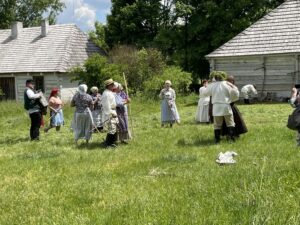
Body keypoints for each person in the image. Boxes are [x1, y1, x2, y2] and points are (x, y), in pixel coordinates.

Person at [202, 71, 239, 143]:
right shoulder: (227, 84)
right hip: (226, 106)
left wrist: (209, 86)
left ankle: (217, 140)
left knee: (217, 125)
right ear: (223, 77)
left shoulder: (212, 85)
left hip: (216, 107)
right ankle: (231, 139)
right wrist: (231, 100)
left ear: (215, 77)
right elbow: (236, 93)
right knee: (230, 123)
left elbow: (204, 93)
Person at [102, 79, 119, 147]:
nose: (113, 85)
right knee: (112, 128)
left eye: (113, 84)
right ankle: (108, 144)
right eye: (112, 84)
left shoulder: (110, 92)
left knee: (115, 128)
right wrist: (111, 113)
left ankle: (112, 142)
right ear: (108, 86)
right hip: (110, 113)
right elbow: (106, 105)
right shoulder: (106, 94)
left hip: (113, 111)